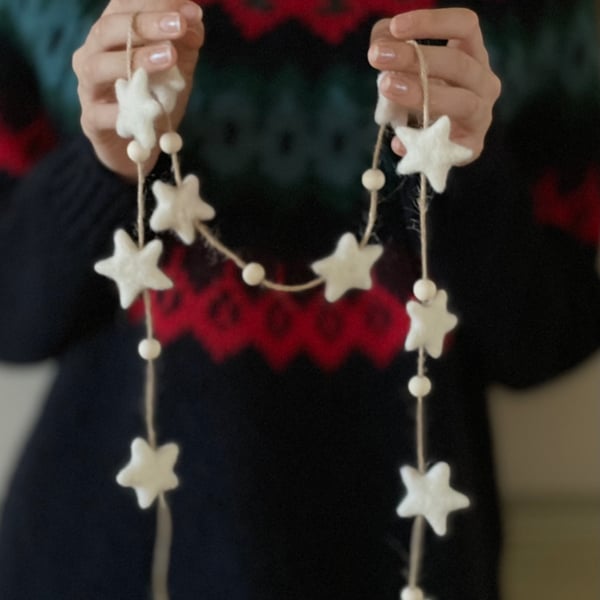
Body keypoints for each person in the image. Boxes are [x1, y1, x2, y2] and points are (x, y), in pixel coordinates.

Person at [0, 1, 598, 599]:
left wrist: (462, 167)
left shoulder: (532, 17)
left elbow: (546, 338)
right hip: (105, 552)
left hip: (404, 562)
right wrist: (106, 167)